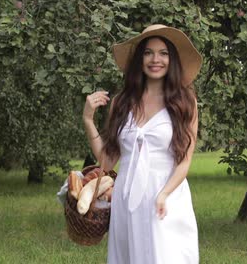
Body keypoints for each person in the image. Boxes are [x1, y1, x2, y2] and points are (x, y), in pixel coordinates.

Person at [82, 24, 201, 263]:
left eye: (163, 53)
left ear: (172, 59)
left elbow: (184, 161)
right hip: (127, 197)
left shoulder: (185, 102)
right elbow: (106, 161)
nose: (155, 59)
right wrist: (87, 119)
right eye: (148, 52)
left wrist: (164, 194)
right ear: (140, 59)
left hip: (166, 195)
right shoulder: (121, 102)